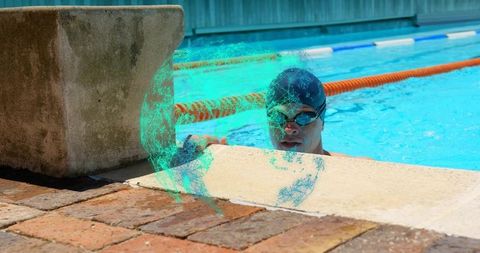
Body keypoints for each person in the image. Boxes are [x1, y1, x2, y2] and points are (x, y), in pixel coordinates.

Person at [183, 68, 345, 157]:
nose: (289, 128)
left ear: (322, 121)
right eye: (278, 116)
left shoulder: (356, 171)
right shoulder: (249, 170)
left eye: (303, 117)